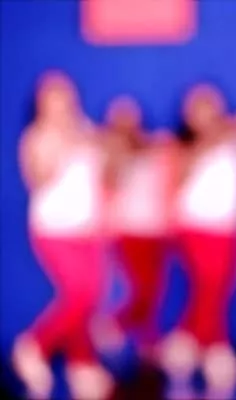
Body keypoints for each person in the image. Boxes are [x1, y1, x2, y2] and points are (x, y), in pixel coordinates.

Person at [157, 83, 236, 399]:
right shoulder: (181, 146)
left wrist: (228, 130)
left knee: (217, 290)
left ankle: (189, 347)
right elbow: (175, 180)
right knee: (208, 285)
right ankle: (207, 350)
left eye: (210, 105)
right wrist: (205, 144)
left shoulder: (235, 135)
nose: (205, 113)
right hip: (195, 227)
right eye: (197, 108)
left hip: (230, 228)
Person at [12, 71, 114, 399]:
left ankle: (81, 365)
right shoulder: (36, 136)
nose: (61, 102)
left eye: (65, 94)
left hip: (88, 229)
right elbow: (38, 178)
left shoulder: (86, 129)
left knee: (91, 298)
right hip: (54, 229)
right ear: (41, 103)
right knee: (78, 294)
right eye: (52, 96)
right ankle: (34, 346)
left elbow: (100, 177)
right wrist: (63, 143)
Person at [94, 95, 176, 360]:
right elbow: (107, 183)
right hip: (129, 229)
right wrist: (115, 152)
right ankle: (115, 324)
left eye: (130, 117)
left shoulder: (157, 148)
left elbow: (169, 181)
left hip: (156, 229)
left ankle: (148, 344)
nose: (126, 123)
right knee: (142, 288)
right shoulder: (110, 151)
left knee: (155, 291)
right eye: (119, 119)